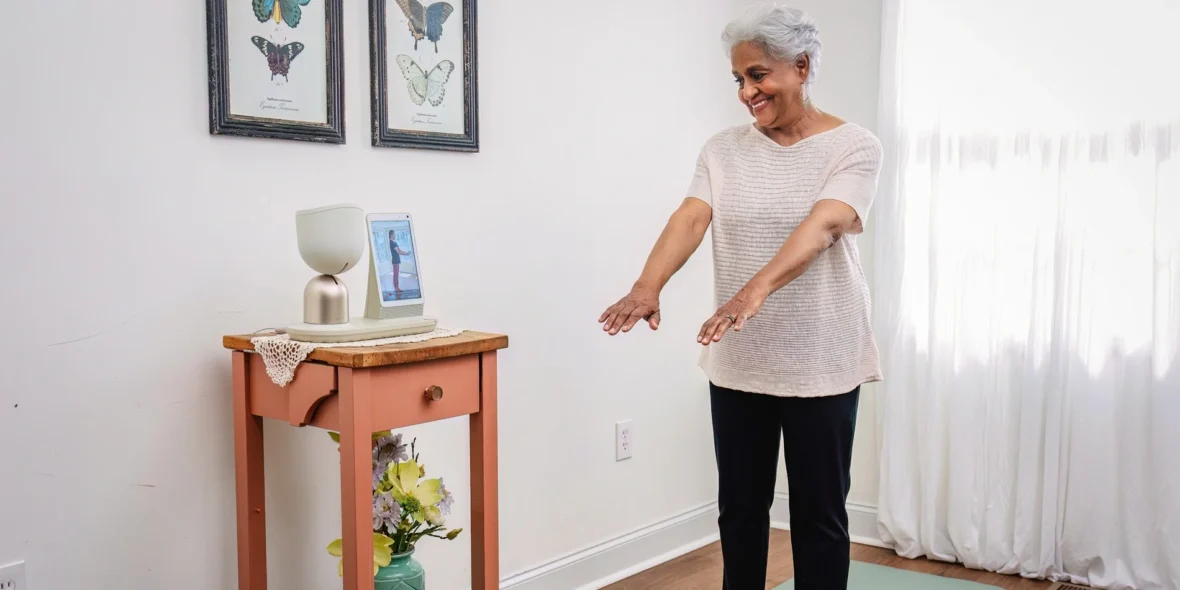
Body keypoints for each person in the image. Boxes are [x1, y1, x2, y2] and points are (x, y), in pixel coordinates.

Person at [597, 5, 883, 589]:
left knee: (819, 516)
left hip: (821, 360)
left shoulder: (855, 146)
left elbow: (824, 224)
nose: (747, 92)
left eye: (758, 75)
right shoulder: (722, 150)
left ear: (801, 67)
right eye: (739, 80)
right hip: (739, 361)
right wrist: (647, 286)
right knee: (740, 512)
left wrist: (752, 289)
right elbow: (691, 217)